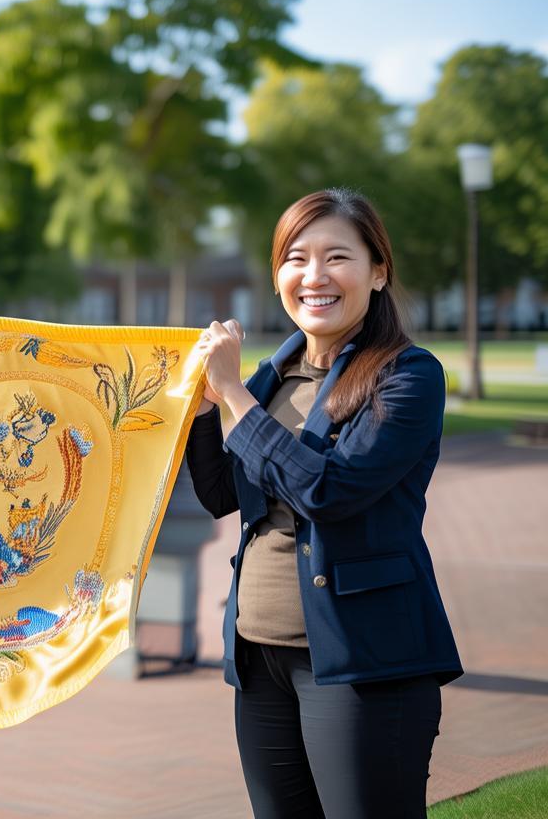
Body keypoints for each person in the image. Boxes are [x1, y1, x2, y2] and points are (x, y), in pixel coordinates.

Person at [185, 188, 462, 818]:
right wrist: (208, 409)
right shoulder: (269, 380)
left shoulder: (408, 375)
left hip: (362, 663)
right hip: (258, 659)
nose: (314, 276)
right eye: (295, 258)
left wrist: (232, 393)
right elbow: (222, 495)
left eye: (337, 257)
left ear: (378, 271)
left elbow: (327, 490)